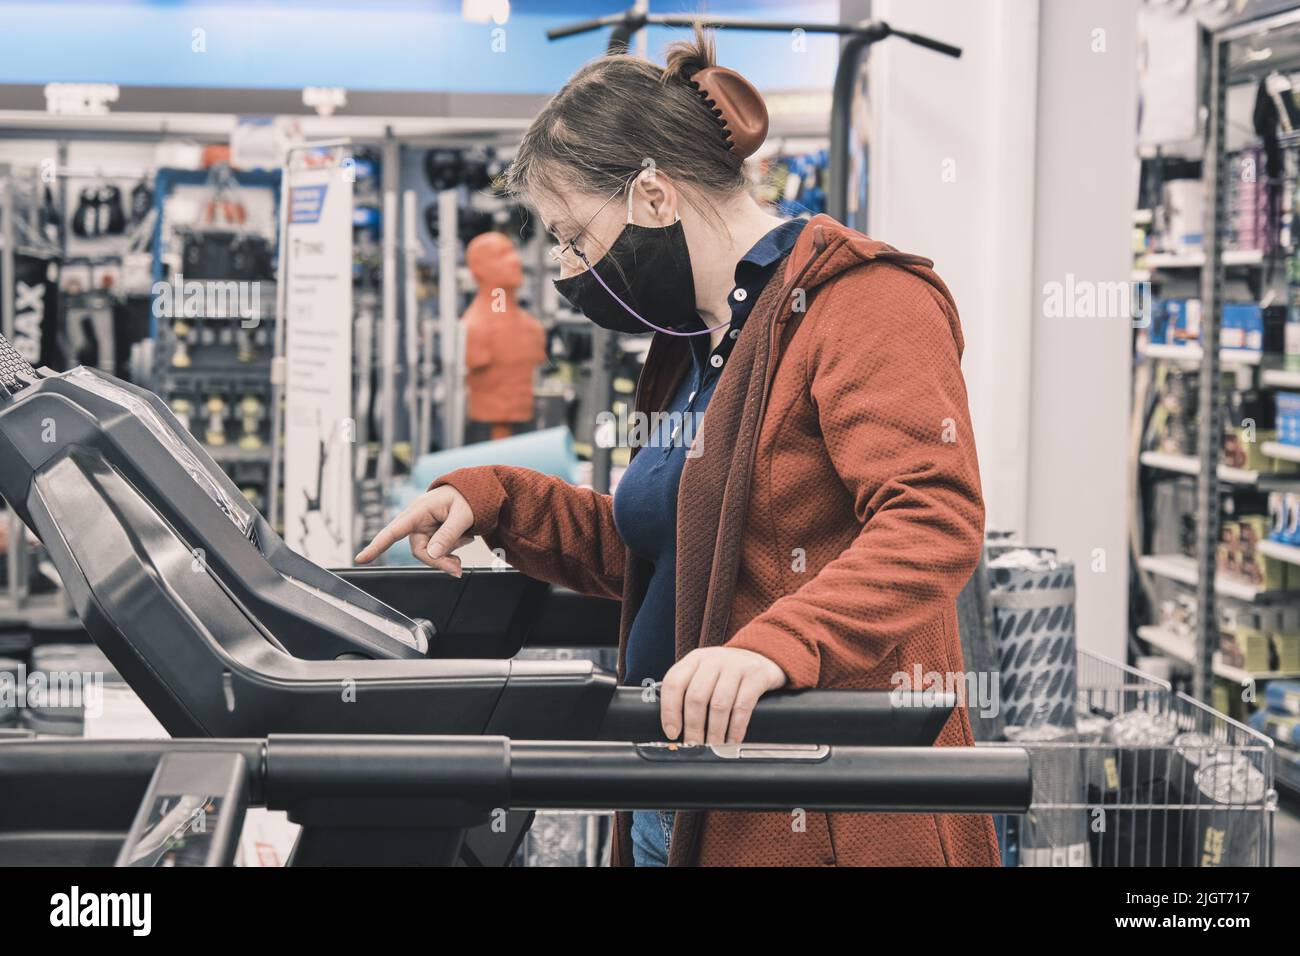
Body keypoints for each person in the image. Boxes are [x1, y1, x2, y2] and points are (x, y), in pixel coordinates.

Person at [357, 28, 997, 868]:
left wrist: (779, 644)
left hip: (814, 811)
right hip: (678, 789)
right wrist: (498, 500)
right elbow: (671, 554)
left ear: (655, 197)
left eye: (573, 236)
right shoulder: (694, 344)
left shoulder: (866, 304)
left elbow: (932, 520)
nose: (566, 266)